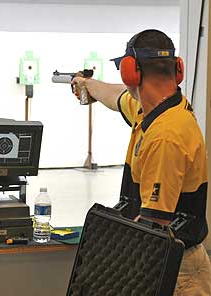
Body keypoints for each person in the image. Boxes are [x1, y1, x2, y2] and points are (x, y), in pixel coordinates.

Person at [72, 29, 211, 295]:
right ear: (176, 69)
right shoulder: (157, 109)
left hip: (175, 273)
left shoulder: (165, 136)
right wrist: (87, 85)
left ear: (131, 73)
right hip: (170, 264)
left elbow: (153, 227)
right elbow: (115, 97)